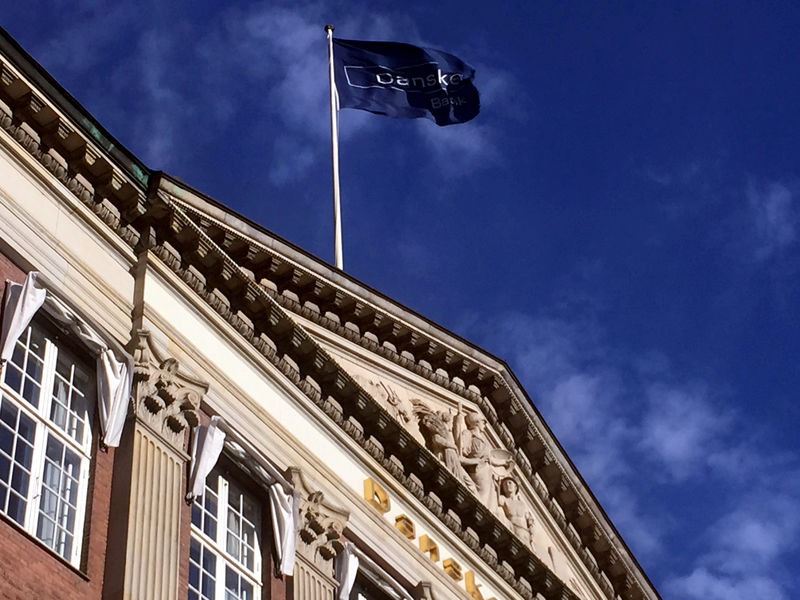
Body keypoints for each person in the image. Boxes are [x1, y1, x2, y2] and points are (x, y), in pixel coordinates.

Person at [498, 477, 535, 547]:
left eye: (509, 483)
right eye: (504, 484)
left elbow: (530, 520)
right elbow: (498, 500)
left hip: (524, 532)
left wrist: (531, 533)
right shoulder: (504, 499)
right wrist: (497, 486)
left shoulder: (522, 504)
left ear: (515, 486)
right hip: (513, 528)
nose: (507, 485)